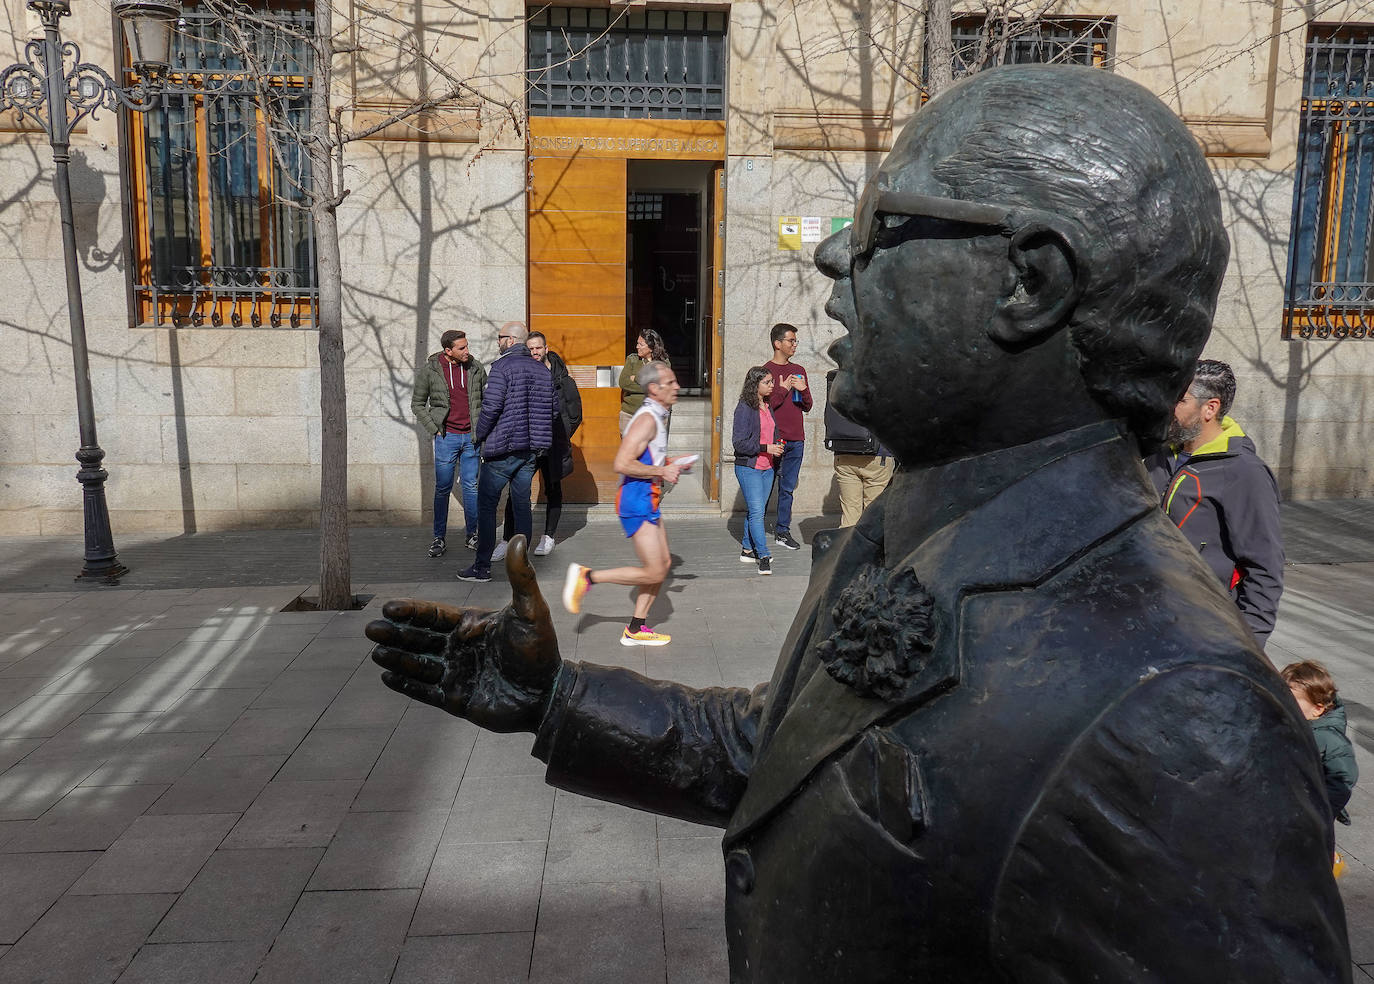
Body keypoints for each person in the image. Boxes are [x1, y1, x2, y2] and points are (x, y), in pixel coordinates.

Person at [369, 65, 1348, 982]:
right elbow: (780, 749)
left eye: (883, 226)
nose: (835, 253)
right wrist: (557, 700)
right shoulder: (911, 523)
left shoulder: (1184, 716)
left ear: (1031, 285)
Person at [1144, 359, 1284, 647]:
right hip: (1146, 614)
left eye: (1180, 400)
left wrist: (1247, 647)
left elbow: (1265, 568)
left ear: (1210, 408)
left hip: (1203, 630)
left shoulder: (1244, 473)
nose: (1169, 408)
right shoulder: (1158, 454)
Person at [562, 360, 682, 646]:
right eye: (671, 383)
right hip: (635, 501)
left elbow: (644, 457)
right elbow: (622, 463)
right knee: (654, 570)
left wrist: (667, 463)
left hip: (647, 499)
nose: (677, 387)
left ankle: (636, 629)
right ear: (654, 388)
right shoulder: (645, 420)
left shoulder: (657, 415)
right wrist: (661, 471)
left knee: (662, 565)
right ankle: (588, 577)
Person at [456, 323, 556, 583]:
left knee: (487, 506)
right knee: (522, 505)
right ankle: (521, 567)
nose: (498, 341)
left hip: (503, 449)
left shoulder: (501, 367)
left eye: (500, 337)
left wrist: (480, 435)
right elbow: (552, 411)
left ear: (511, 340)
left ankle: (482, 567)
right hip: (529, 450)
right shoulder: (543, 371)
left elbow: (491, 407)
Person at [492, 332, 583, 561]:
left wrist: (559, 435)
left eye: (538, 348)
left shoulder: (564, 381)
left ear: (546, 348)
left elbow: (574, 415)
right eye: (531, 349)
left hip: (553, 445)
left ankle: (548, 536)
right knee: (517, 490)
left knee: (552, 488)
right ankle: (507, 540)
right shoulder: (525, 375)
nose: (534, 352)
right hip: (528, 444)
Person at [410, 329, 486, 557]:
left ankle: (473, 535)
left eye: (467, 346)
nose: (467, 351)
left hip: (472, 438)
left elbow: (487, 398)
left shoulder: (476, 367)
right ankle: (438, 538)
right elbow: (417, 404)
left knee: (471, 487)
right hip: (447, 437)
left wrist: (482, 428)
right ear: (448, 351)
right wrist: (435, 428)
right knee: (443, 488)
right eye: (461, 348)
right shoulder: (431, 370)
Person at [1281, 660, 1358, 829]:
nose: (1282, 704)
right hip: (1283, 802)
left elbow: (1342, 781)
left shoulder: (1329, 740)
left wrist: (1319, 813)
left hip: (1309, 812)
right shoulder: (1286, 723)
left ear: (1318, 709)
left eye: (1292, 701)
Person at [823, 368, 895, 527]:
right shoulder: (884, 376)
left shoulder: (837, 378)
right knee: (874, 514)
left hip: (842, 452)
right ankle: (871, 551)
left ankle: (847, 549)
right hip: (877, 455)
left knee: (850, 514)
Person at [762, 322, 811, 551]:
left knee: (787, 489)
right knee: (764, 489)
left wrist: (803, 389)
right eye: (791, 341)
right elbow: (766, 406)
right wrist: (782, 389)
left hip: (796, 440)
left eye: (795, 341)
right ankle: (755, 533)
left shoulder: (799, 369)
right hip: (774, 440)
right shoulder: (765, 372)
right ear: (777, 343)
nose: (794, 345)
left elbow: (808, 406)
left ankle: (782, 531)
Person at [732, 366, 783, 574]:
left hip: (768, 467)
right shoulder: (745, 408)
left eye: (772, 382)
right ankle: (763, 554)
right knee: (756, 512)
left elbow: (770, 432)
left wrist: (778, 444)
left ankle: (746, 549)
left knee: (756, 511)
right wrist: (766, 448)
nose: (772, 385)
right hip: (749, 468)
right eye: (767, 382)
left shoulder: (767, 404)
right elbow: (739, 443)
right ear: (755, 385)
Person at [619, 328, 669, 435]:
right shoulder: (632, 360)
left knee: (651, 450)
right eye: (637, 343)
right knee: (630, 451)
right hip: (629, 415)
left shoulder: (663, 363)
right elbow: (623, 382)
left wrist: (636, 377)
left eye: (641, 344)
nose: (637, 347)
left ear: (651, 347)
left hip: (655, 416)